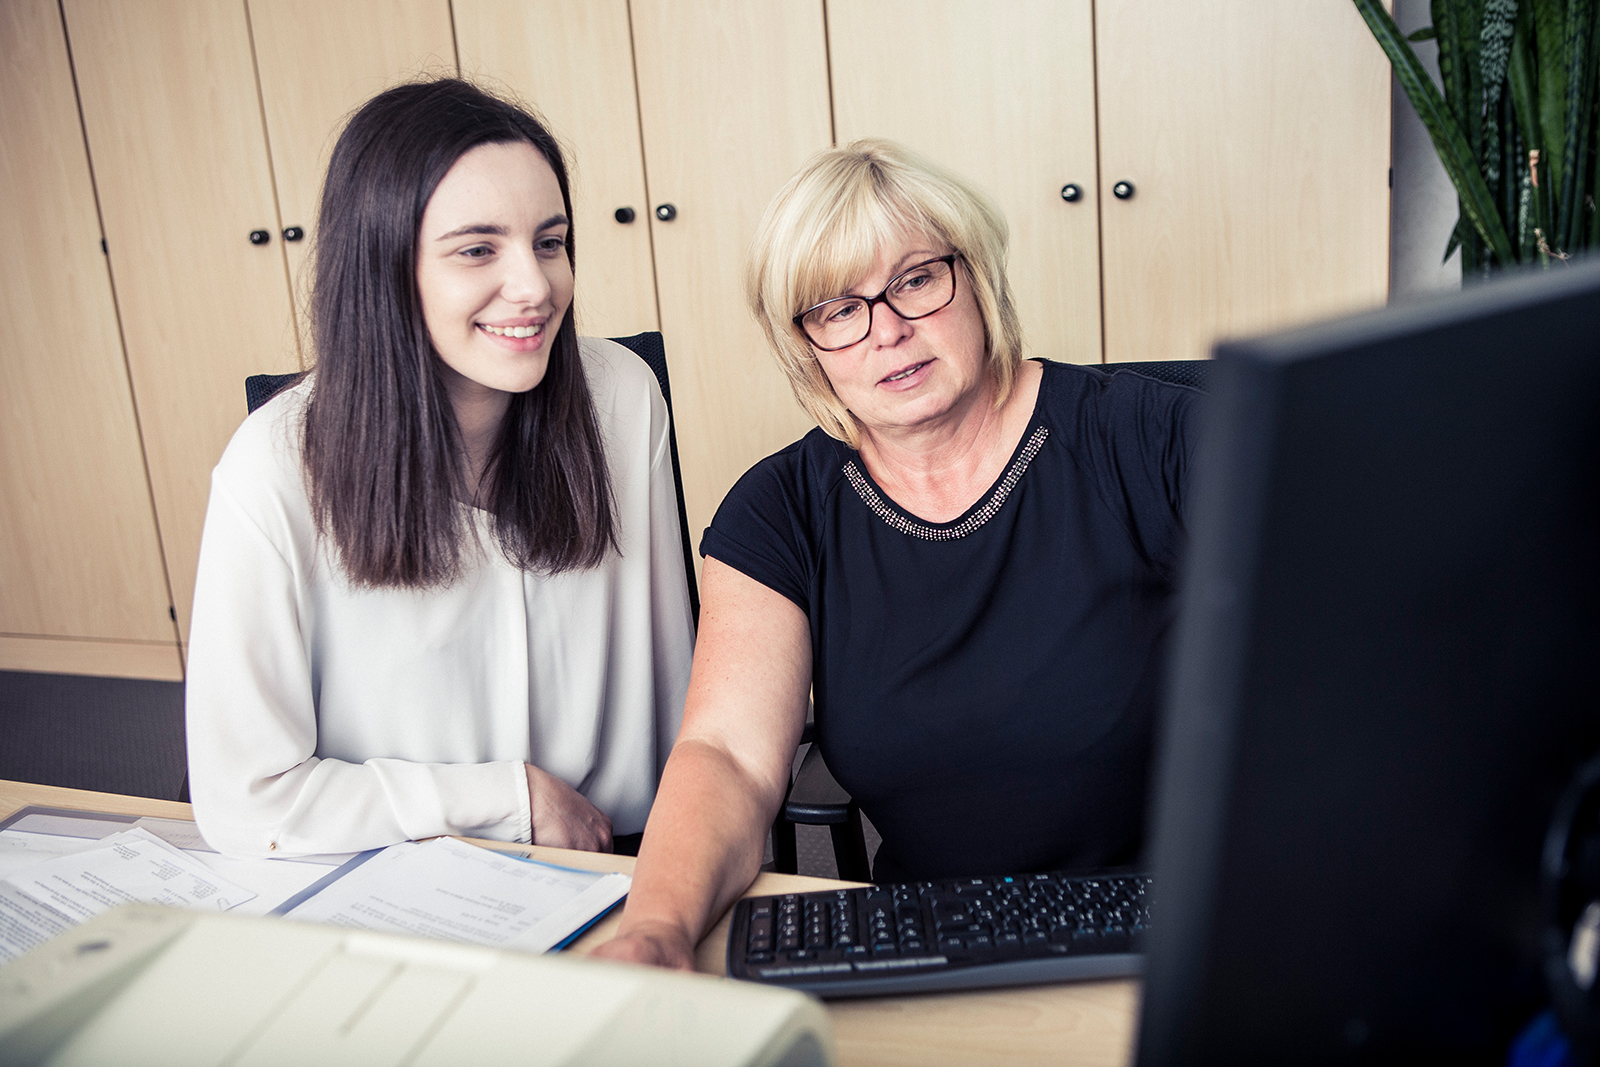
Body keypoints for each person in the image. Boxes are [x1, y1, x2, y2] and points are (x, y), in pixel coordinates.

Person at [593, 139, 1196, 971]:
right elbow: (726, 754)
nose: (889, 331)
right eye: (839, 309)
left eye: (915, 280)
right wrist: (656, 927)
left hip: (1171, 930)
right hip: (933, 941)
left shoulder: (1154, 437)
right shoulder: (779, 509)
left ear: (976, 275)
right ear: (804, 343)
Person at [184, 79, 694, 859]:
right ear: (384, 269)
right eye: (478, 249)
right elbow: (243, 801)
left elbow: (677, 695)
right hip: (389, 876)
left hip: (606, 861)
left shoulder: (624, 398)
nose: (535, 287)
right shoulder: (271, 468)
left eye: (550, 242)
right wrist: (507, 799)